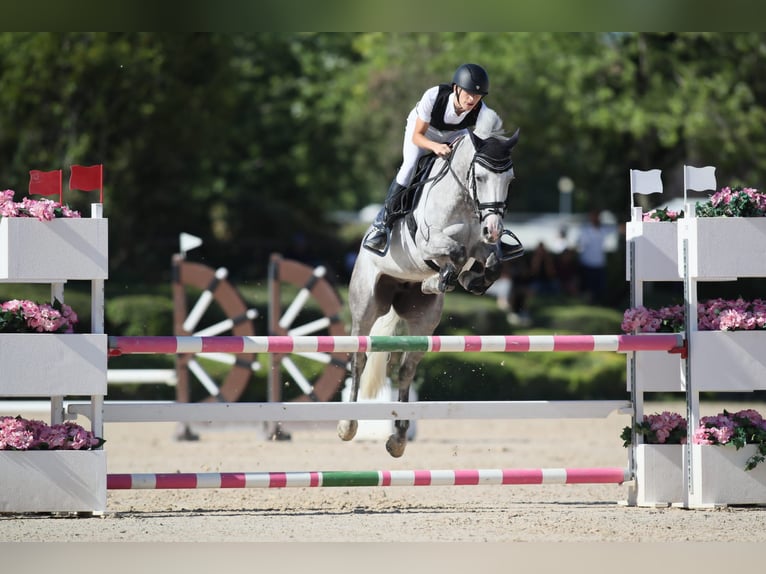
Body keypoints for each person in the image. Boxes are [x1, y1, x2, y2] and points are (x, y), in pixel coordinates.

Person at [363, 63, 502, 255]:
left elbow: (484, 144)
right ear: (456, 88)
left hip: (454, 134)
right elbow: (417, 136)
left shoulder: (482, 112)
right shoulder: (434, 96)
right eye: (468, 93)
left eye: (477, 95)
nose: (472, 99)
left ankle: (487, 227)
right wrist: (436, 147)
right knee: (409, 166)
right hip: (423, 131)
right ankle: (382, 224)